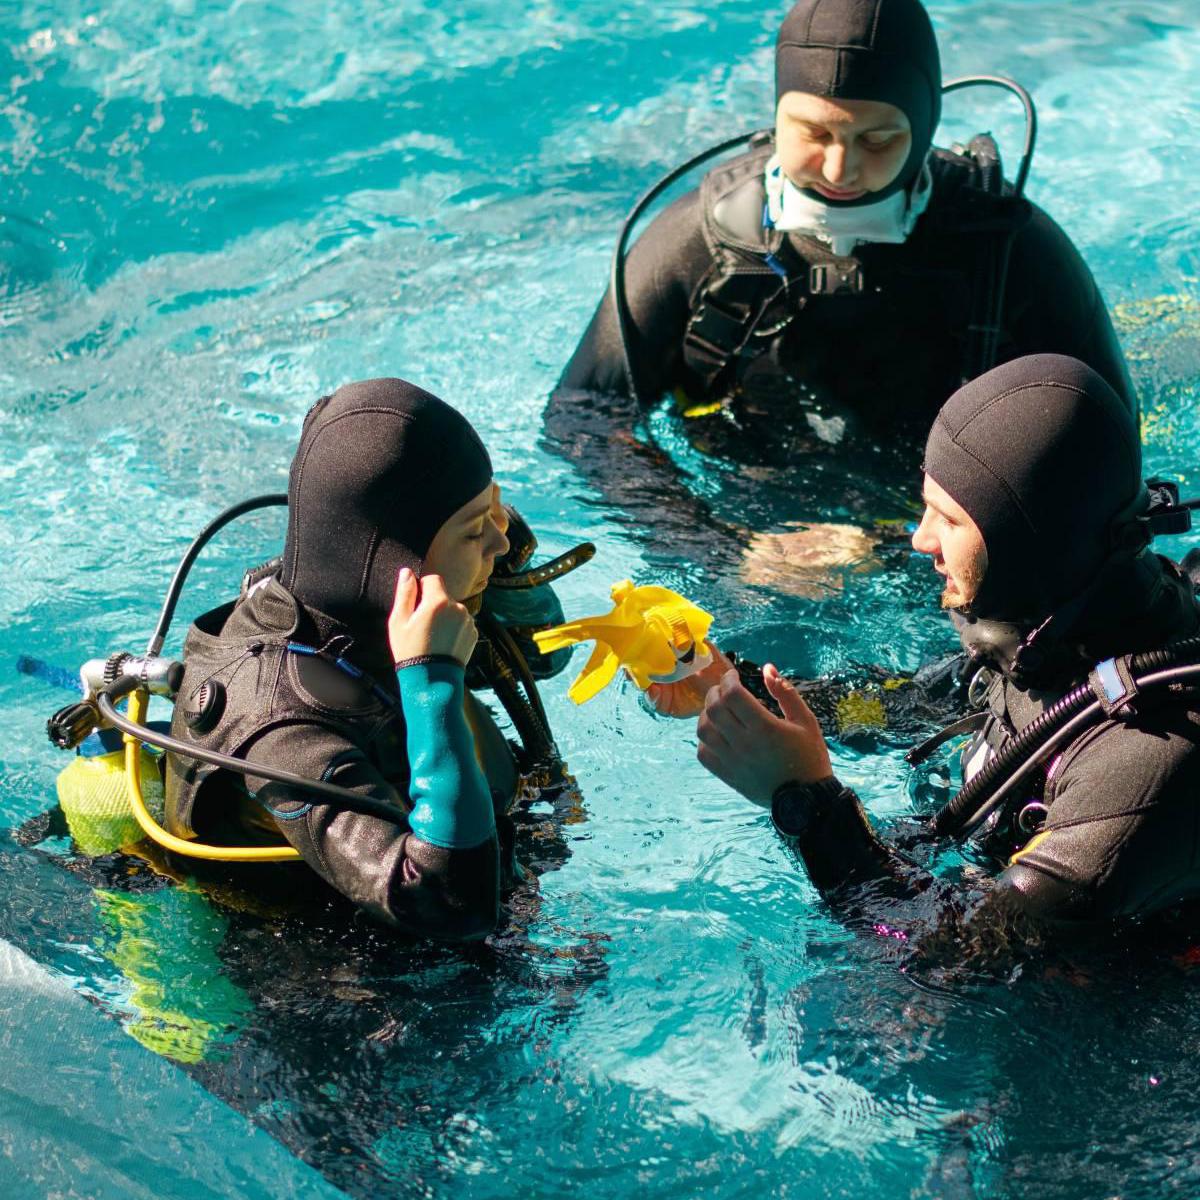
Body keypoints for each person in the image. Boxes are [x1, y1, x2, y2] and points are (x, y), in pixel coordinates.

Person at [545, 0, 1134, 563]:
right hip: (744, 517)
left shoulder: (1007, 248)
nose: (839, 169)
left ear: (924, 125)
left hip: (938, 538)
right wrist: (724, 548)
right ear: (776, 114)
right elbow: (581, 422)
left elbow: (1106, 449)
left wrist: (915, 546)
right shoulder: (698, 245)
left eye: (877, 140)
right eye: (813, 133)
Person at [692, 354, 1200, 937]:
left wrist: (804, 802)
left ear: (1031, 543)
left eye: (950, 520)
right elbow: (903, 707)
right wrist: (734, 685)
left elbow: (942, 956)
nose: (919, 538)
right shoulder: (1047, 632)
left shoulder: (1148, 769)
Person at [165, 378, 574, 941]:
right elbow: (453, 907)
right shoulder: (280, 730)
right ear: (394, 560)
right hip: (344, 975)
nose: (498, 546)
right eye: (474, 531)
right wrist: (431, 680)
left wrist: (495, 543)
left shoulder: (371, 609)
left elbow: (546, 657)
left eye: (495, 516)